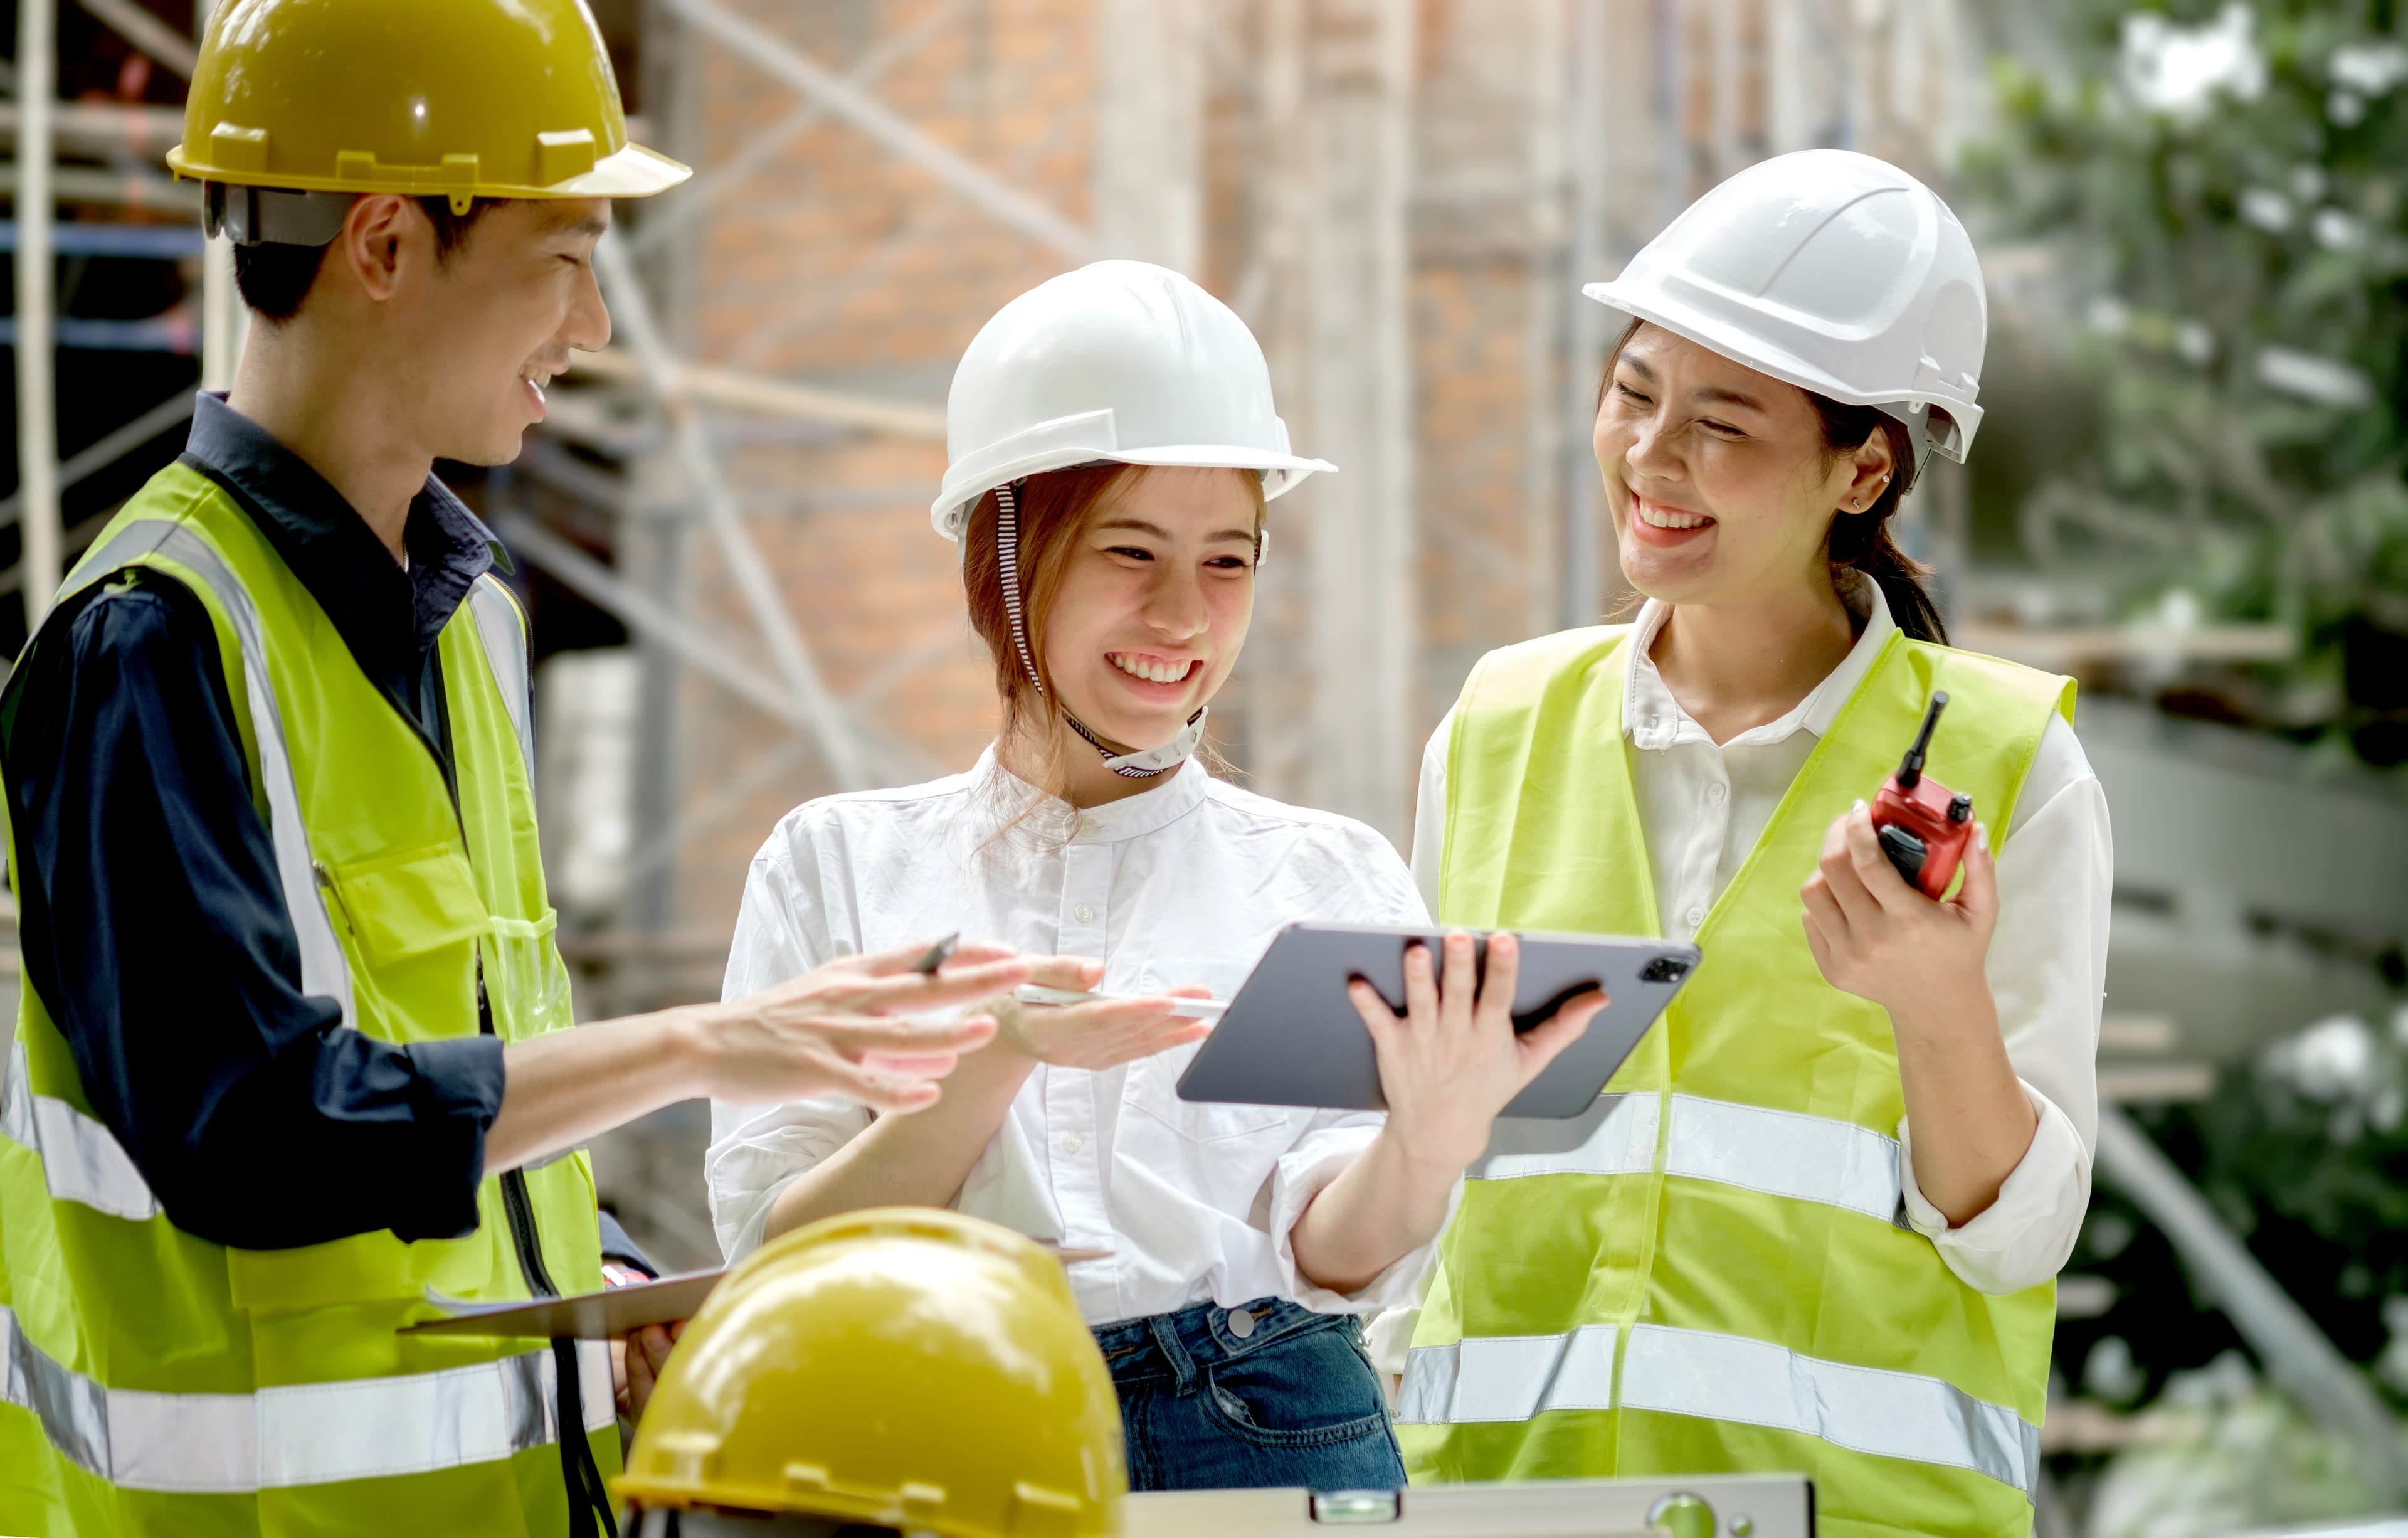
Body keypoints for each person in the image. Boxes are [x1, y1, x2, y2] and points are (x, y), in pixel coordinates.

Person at [0, 4, 1033, 1535]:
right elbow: (253, 1131)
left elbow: (475, 1054)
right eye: (564, 258)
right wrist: (706, 1043)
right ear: (387, 243)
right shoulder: (149, 642)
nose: (596, 326)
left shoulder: (474, 627)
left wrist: (593, 1274)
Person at [705, 260, 1606, 1494]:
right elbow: (779, 1255)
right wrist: (986, 1064)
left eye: (1229, 561)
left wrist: (1427, 1144)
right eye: (1131, 550)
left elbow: (1333, 1251)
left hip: (1266, 1419)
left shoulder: (1322, 870)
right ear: (1003, 552)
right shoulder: (843, 865)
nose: (1183, 615)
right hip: (933, 1424)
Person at [1382, 150, 2110, 1537]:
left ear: (1865, 464)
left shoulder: (2012, 768)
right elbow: (1419, 1168)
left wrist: (1934, 1000)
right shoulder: (1493, 727)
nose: (1652, 456)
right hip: (1507, 1513)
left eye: (1724, 424)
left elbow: (2017, 1233)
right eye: (1633, 392)